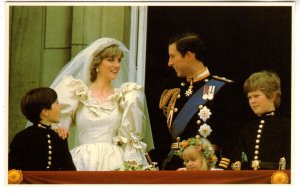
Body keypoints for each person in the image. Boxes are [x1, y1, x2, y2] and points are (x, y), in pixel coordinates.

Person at [50, 38, 154, 171]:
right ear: (96, 64)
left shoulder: (126, 96)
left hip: (116, 163)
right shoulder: (76, 93)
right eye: (111, 60)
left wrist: (132, 167)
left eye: (119, 60)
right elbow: (57, 131)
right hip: (83, 162)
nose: (117, 65)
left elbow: (131, 141)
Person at [159, 32, 245, 170]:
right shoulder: (175, 93)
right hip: (176, 168)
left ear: (188, 56)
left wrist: (222, 167)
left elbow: (233, 137)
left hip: (208, 166)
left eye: (172, 56)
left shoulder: (223, 89)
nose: (169, 63)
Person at [230, 70, 291, 170]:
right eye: (249, 97)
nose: (252, 101)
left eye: (256, 96)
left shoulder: (287, 126)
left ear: (272, 96)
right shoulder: (247, 129)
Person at [8, 87, 76, 171]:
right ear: (45, 111)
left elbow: (69, 172)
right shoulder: (23, 138)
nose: (60, 107)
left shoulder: (59, 137)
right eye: (56, 103)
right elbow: (12, 172)